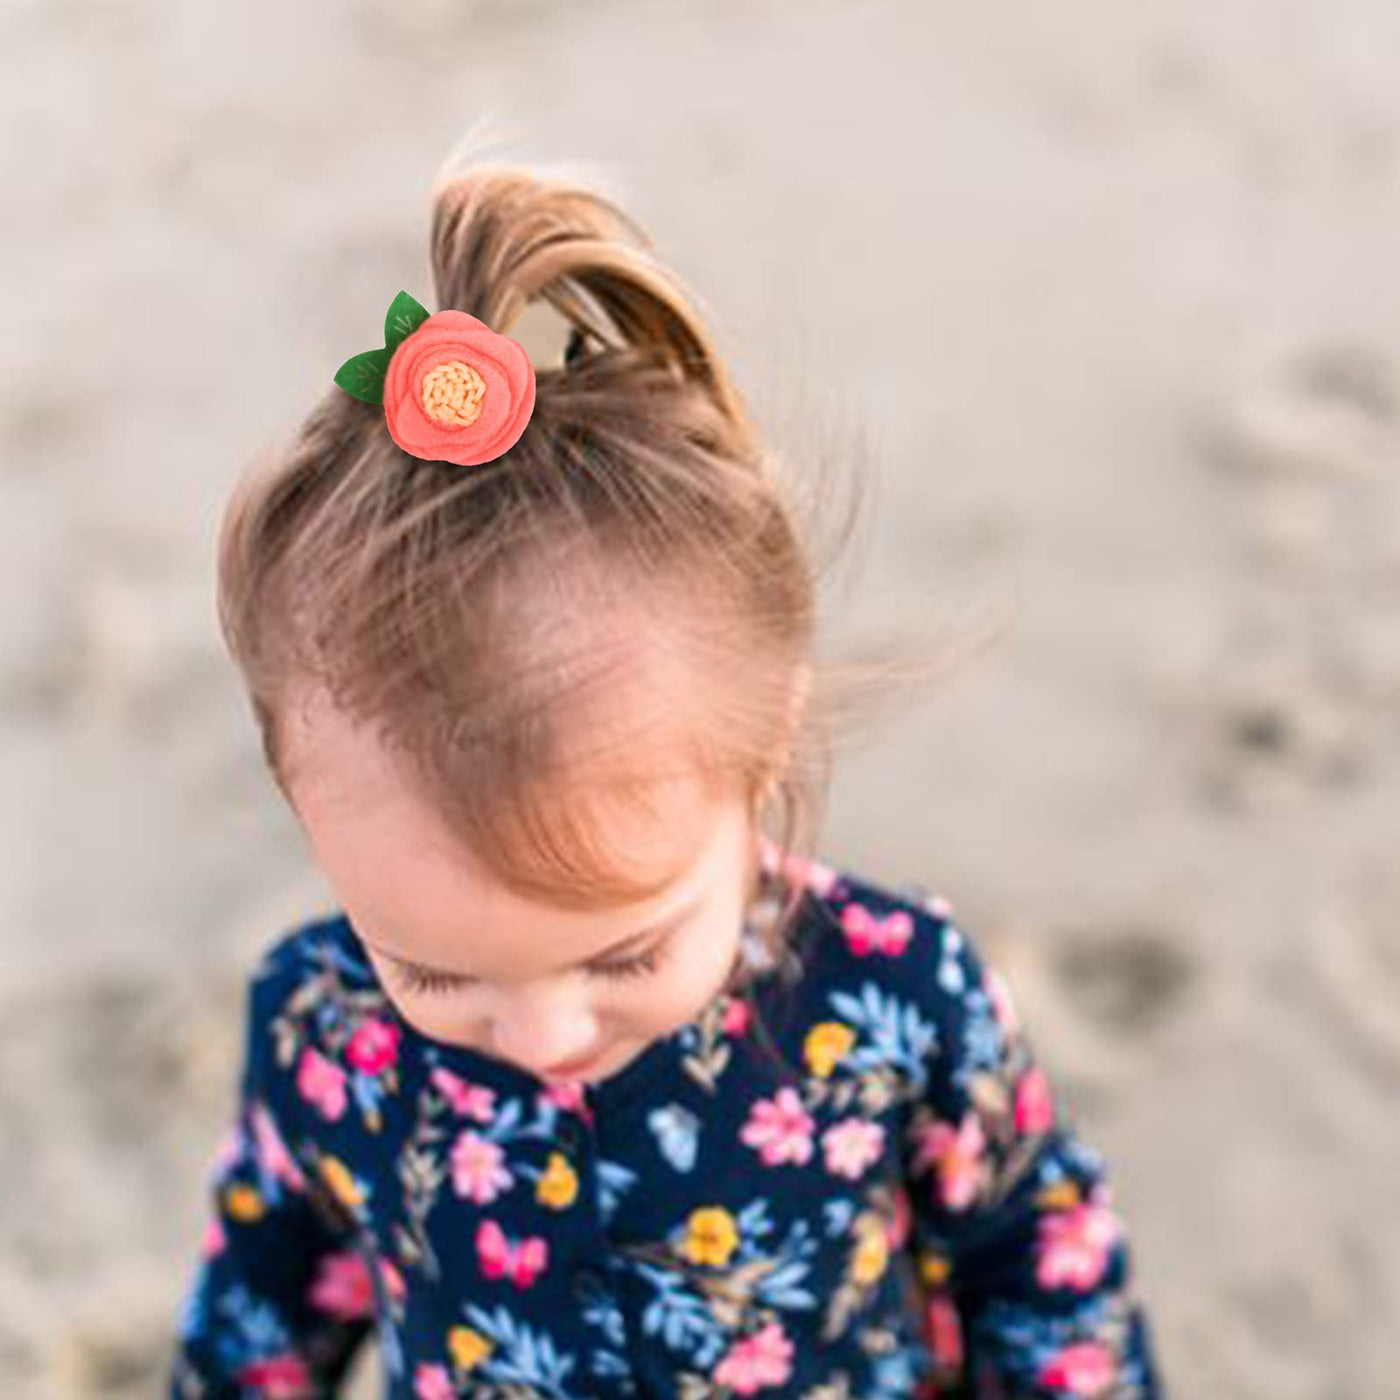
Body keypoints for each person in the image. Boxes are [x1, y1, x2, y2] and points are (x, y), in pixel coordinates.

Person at [167, 144, 1164, 1399]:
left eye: (623, 953)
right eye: (431, 965)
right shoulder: (324, 1028)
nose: (538, 1033)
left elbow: (1037, 1250)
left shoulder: (894, 993)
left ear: (763, 753)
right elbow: (261, 1305)